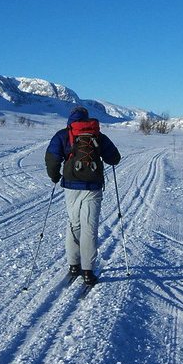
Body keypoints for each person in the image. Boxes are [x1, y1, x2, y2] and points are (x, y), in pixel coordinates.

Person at [45, 106, 121, 286]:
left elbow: (52, 158)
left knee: (74, 223)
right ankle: (88, 271)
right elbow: (114, 158)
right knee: (89, 226)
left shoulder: (64, 135)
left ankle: (73, 265)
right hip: (93, 186)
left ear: (71, 119)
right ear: (87, 119)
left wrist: (55, 176)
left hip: (71, 186)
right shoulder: (97, 135)